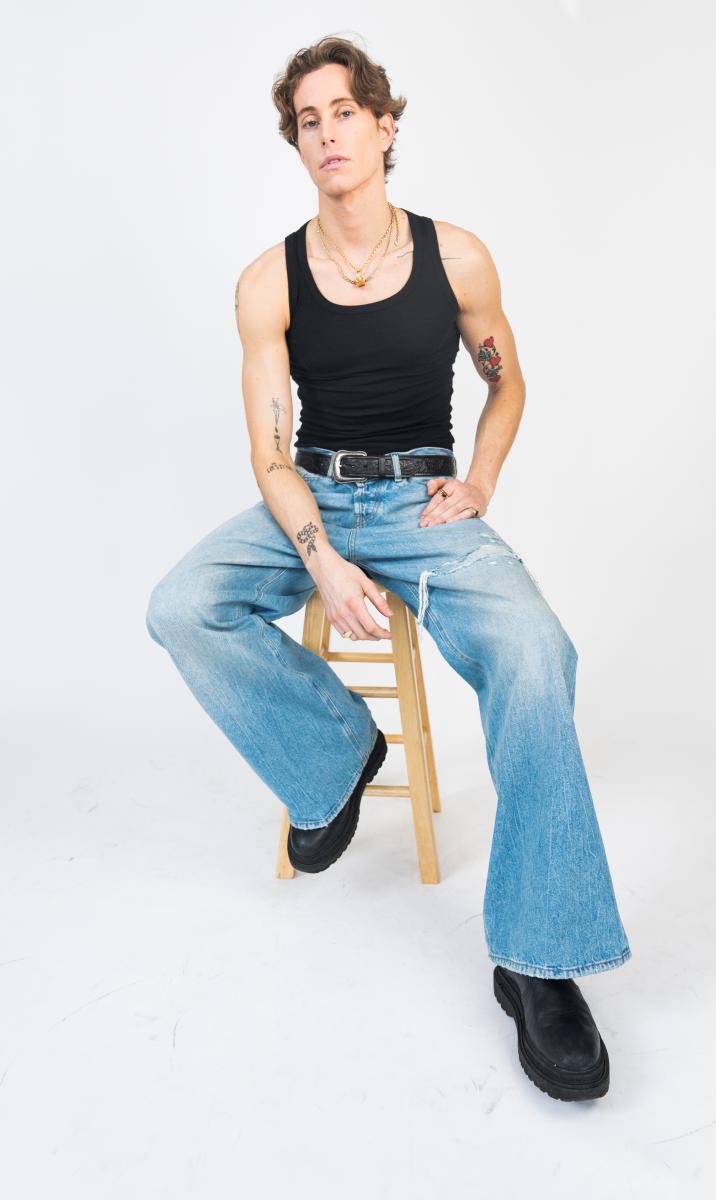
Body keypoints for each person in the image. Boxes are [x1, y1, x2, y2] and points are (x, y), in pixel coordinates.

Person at [145, 34, 632, 1103]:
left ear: (383, 125)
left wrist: (481, 481)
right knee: (182, 605)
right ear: (297, 144)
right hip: (311, 496)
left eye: (343, 112)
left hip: (422, 503)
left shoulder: (457, 258)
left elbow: (506, 381)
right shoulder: (266, 281)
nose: (326, 133)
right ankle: (336, 754)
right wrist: (318, 557)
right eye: (306, 121)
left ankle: (537, 960)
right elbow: (269, 454)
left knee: (537, 653)